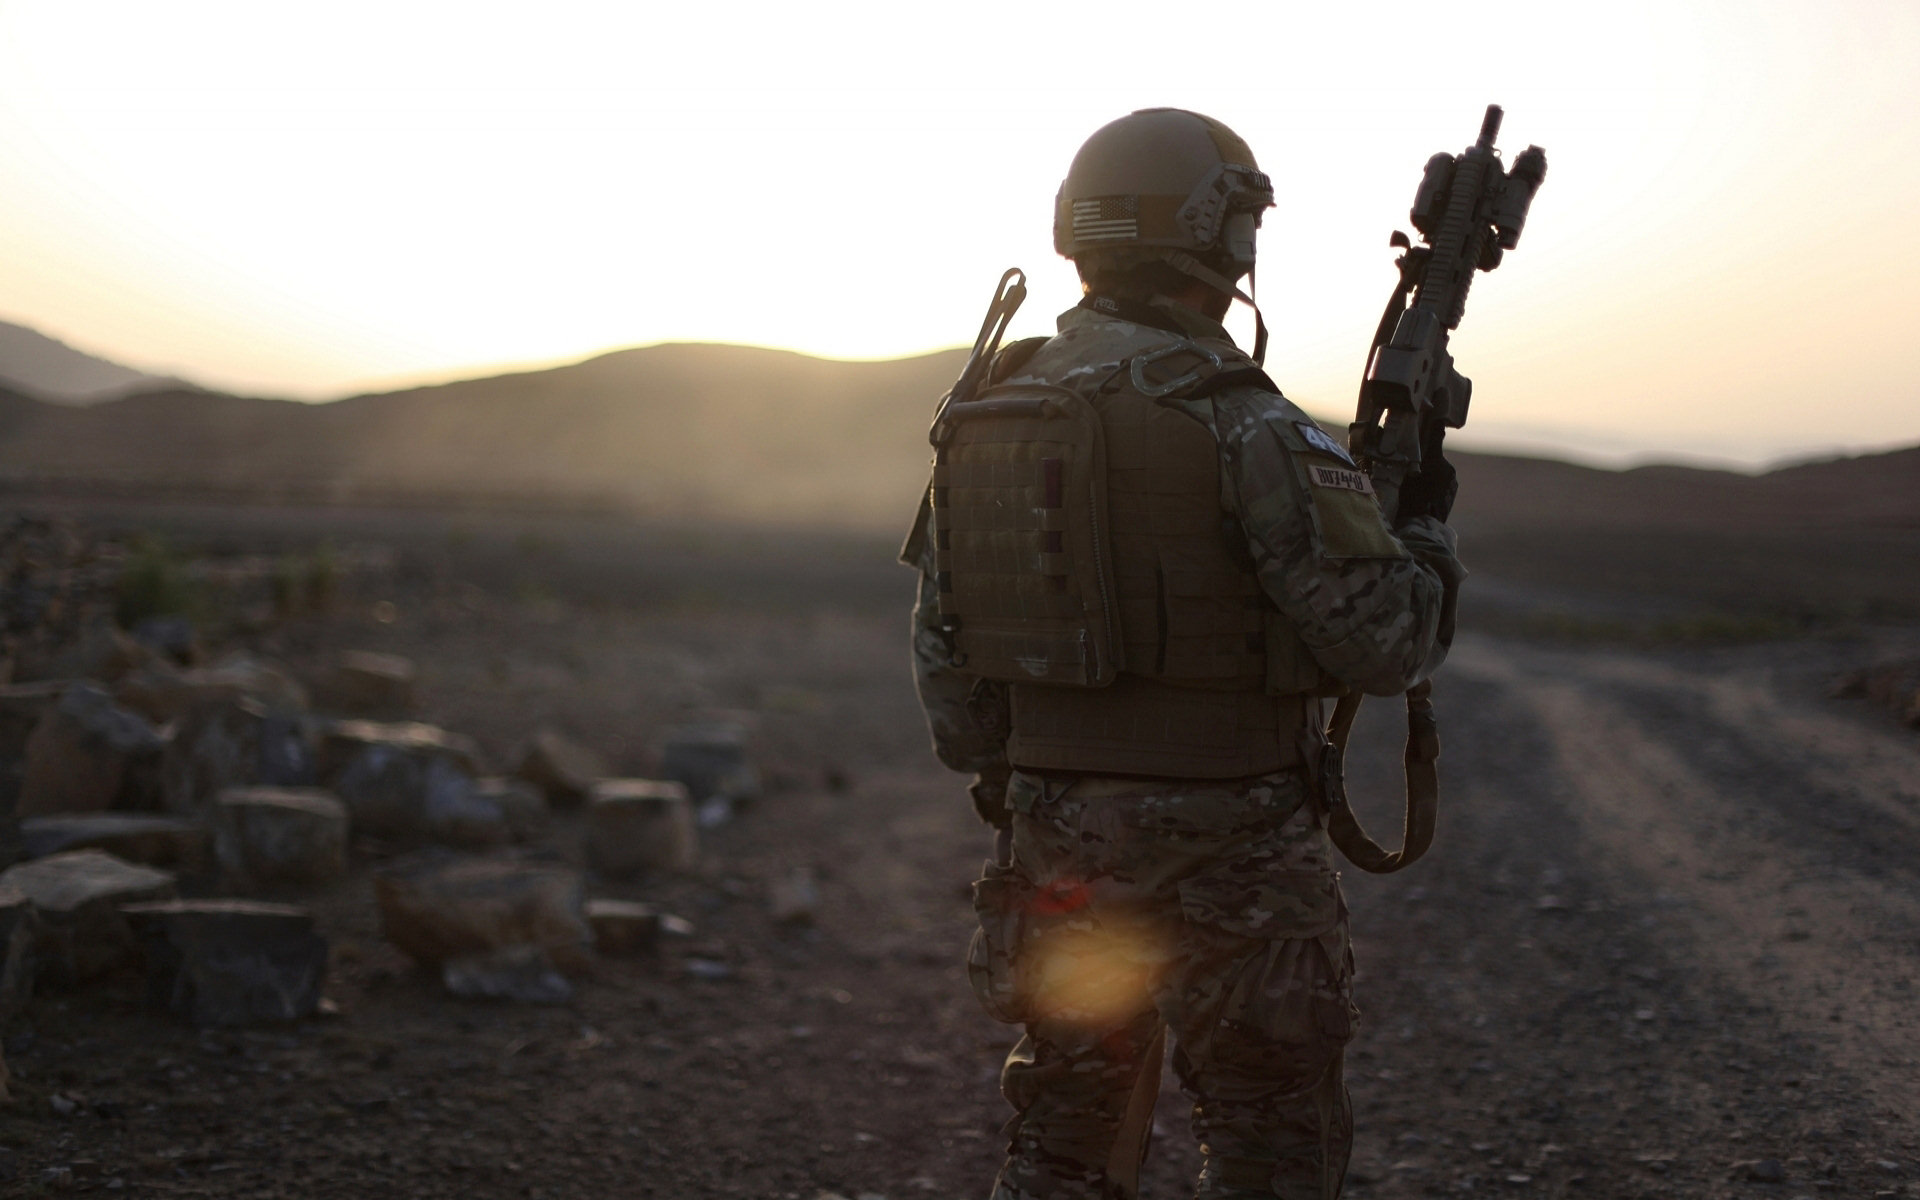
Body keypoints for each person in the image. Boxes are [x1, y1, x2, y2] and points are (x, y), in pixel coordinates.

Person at [902, 108, 1463, 1200]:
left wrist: (1044, 789)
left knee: (1061, 1143)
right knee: (1268, 1145)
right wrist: (1426, 530)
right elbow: (1386, 642)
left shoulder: (988, 412)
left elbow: (948, 672)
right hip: (1237, 853)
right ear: (1218, 235)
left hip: (1057, 851)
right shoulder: (1244, 421)